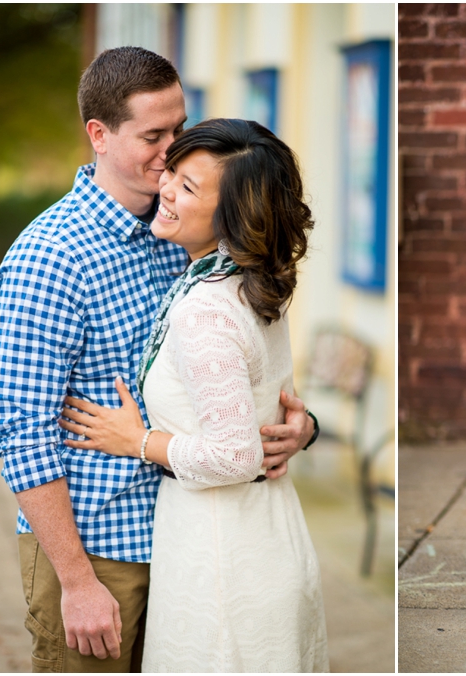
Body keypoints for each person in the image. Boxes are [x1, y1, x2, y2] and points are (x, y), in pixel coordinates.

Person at [0, 47, 315, 672]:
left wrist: (302, 426)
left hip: (186, 539)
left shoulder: (190, 231)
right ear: (99, 135)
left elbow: (238, 371)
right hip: (100, 549)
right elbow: (23, 436)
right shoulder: (48, 259)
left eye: (179, 128)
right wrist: (78, 582)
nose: (172, 152)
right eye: (153, 135)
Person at [56, 118, 329, 672]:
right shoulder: (245, 280)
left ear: (232, 216)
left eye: (188, 187)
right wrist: (306, 427)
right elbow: (267, 405)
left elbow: (235, 454)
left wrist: (138, 440)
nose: (166, 189)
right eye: (173, 175)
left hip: (222, 557)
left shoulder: (205, 310)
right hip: (263, 531)